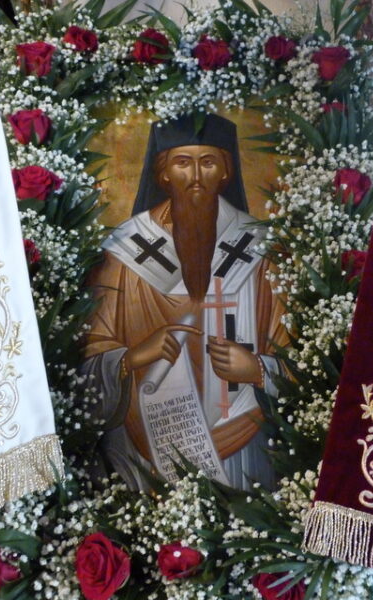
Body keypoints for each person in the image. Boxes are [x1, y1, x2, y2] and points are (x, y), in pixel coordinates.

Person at [82, 114, 287, 490]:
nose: (195, 176)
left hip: (242, 442)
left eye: (208, 162)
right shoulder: (123, 251)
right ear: (162, 173)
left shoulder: (261, 252)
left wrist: (258, 369)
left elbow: (300, 363)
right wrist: (132, 358)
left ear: (226, 172)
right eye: (182, 163)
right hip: (145, 442)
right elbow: (89, 358)